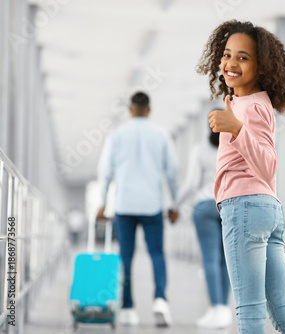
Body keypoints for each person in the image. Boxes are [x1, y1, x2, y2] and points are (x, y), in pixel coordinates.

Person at [197, 20, 285, 333]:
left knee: (250, 313)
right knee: (282, 310)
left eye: (243, 57)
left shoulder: (248, 108)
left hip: (244, 208)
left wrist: (236, 128)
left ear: (262, 67)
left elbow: (268, 164)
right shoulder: (247, 102)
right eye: (227, 54)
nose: (231, 63)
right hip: (263, 208)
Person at [97, 91, 178, 327]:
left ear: (130, 110)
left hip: (125, 205)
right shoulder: (161, 135)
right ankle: (160, 300)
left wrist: (102, 204)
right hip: (152, 205)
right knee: (156, 253)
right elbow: (172, 173)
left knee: (125, 256)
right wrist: (173, 204)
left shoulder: (117, 136)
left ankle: (127, 307)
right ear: (149, 110)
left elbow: (104, 173)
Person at [168, 128, 232, 329]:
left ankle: (215, 309)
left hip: (205, 206)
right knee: (226, 260)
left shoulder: (200, 149)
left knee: (210, 259)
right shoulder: (234, 146)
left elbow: (192, 183)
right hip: (229, 206)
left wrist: (175, 205)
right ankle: (224, 310)